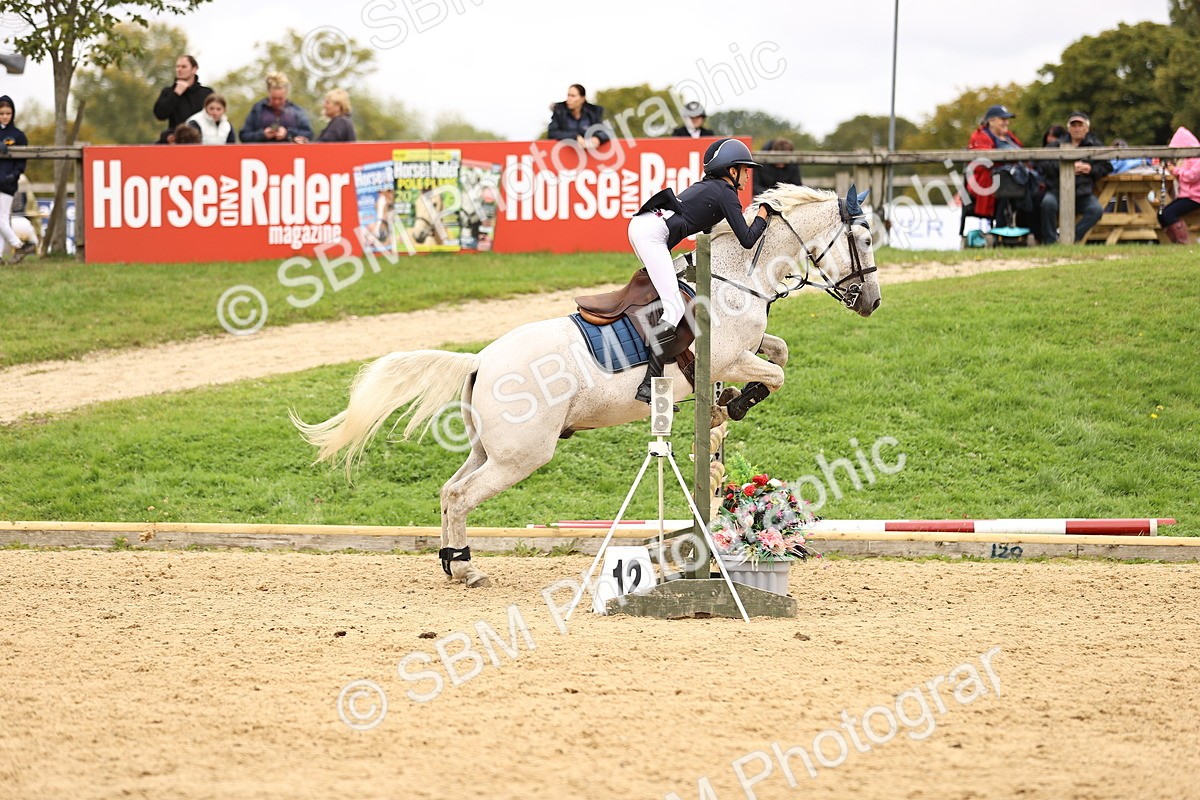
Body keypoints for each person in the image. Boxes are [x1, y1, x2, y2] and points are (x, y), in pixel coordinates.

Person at [627, 137, 770, 403]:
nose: (748, 175)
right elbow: (748, 240)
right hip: (652, 233)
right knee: (674, 307)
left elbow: (709, 231)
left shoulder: (712, 188)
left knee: (667, 298)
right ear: (731, 171)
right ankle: (648, 384)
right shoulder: (726, 193)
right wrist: (763, 214)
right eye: (744, 168)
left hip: (645, 227)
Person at [1038, 111, 1112, 244]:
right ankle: (1050, 242)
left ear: (1086, 128)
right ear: (1068, 128)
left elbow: (1107, 167)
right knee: (1047, 204)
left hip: (1082, 194)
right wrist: (1065, 167)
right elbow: (1044, 164)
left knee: (1096, 210)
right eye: (1073, 125)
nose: (1077, 129)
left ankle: (1072, 238)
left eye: (1080, 125)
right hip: (1057, 191)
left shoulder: (1095, 146)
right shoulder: (1056, 145)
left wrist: (1090, 169)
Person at [0, 95, 35, 264]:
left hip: (7, 183)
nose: (5, 116)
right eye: (2, 113)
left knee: (1, 219)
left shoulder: (18, 135)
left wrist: (12, 176)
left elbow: (21, 162)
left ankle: (19, 245)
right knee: (1, 220)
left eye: (8, 113)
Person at [239, 72, 314, 143]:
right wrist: (262, 135)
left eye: (280, 99)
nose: (277, 102)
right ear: (268, 93)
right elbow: (244, 136)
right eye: (273, 98)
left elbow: (308, 134)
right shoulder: (258, 110)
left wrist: (288, 134)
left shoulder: (296, 111)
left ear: (286, 94)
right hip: (263, 154)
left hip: (290, 154)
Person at [1159, 126, 1200, 244]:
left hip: (1195, 197)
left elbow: (1191, 176)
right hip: (1187, 195)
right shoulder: (1189, 159)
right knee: (1162, 214)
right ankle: (1173, 242)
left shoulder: (1197, 159)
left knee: (1168, 213)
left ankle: (1183, 242)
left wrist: (1175, 170)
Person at [153, 55, 213, 130]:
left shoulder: (206, 93)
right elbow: (160, 115)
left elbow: (215, 117)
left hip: (201, 138)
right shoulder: (168, 92)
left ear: (194, 69)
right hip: (176, 138)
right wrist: (176, 94)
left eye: (184, 67)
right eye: (177, 66)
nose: (179, 69)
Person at [547, 84, 610, 148]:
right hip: (565, 154)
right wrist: (575, 137)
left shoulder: (593, 112)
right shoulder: (559, 111)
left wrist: (597, 138)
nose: (569, 99)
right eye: (568, 95)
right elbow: (552, 133)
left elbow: (605, 132)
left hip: (590, 155)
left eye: (573, 96)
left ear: (582, 99)